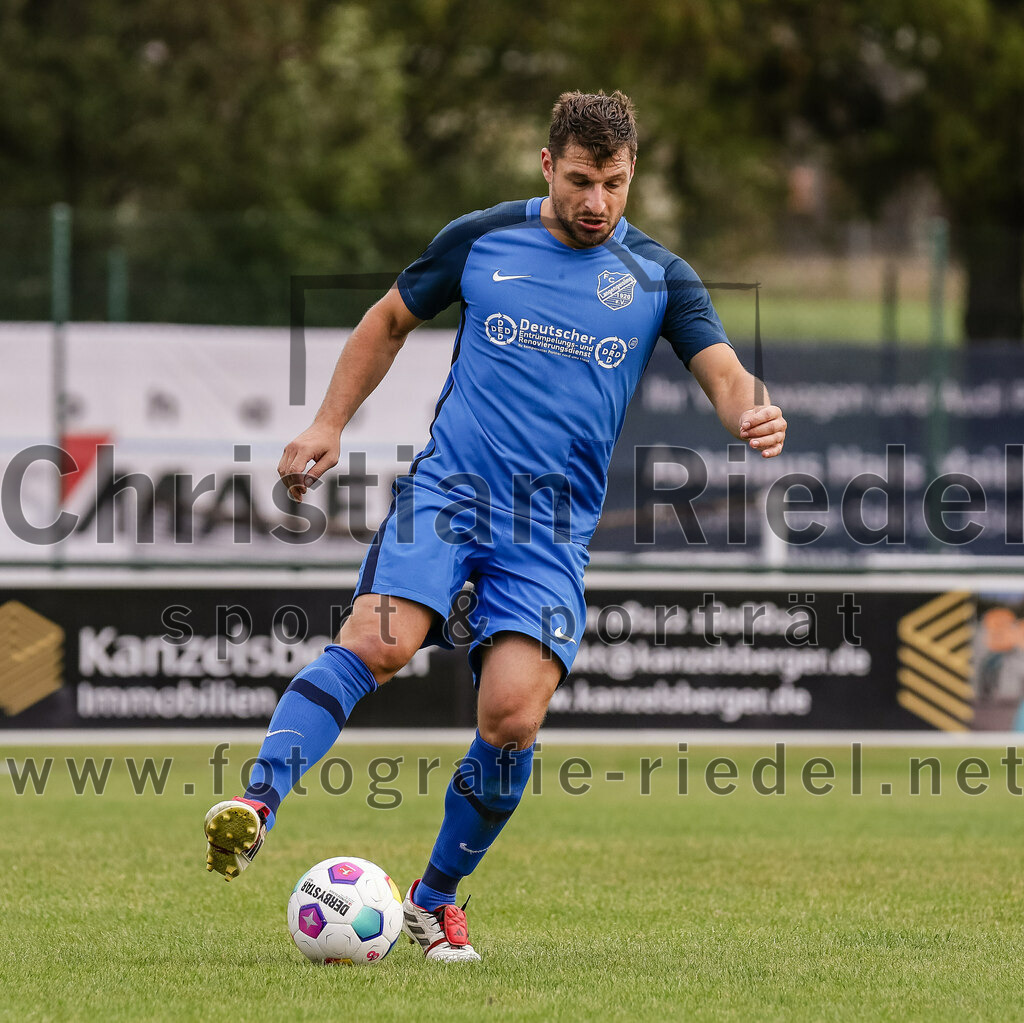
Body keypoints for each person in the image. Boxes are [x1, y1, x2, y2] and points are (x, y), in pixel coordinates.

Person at [203, 90, 787, 962]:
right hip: (449, 496)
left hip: (549, 534)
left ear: (634, 178)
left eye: (615, 184)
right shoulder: (482, 239)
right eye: (582, 180)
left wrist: (752, 410)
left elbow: (725, 370)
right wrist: (327, 422)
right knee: (379, 642)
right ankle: (254, 804)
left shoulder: (660, 277)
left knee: (512, 716)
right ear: (547, 166)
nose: (598, 202)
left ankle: (433, 902)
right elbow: (390, 318)